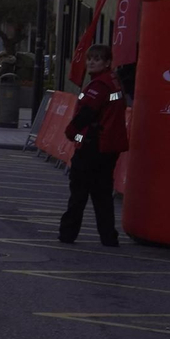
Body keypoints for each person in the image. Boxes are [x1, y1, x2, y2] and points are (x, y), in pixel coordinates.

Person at [58, 44, 127, 246]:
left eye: (97, 59)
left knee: (79, 192)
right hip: (108, 146)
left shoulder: (99, 85)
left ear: (107, 62)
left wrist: (71, 131)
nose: (91, 62)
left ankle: (67, 234)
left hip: (92, 144)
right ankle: (108, 237)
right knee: (102, 194)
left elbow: (87, 113)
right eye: (90, 59)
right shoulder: (114, 81)